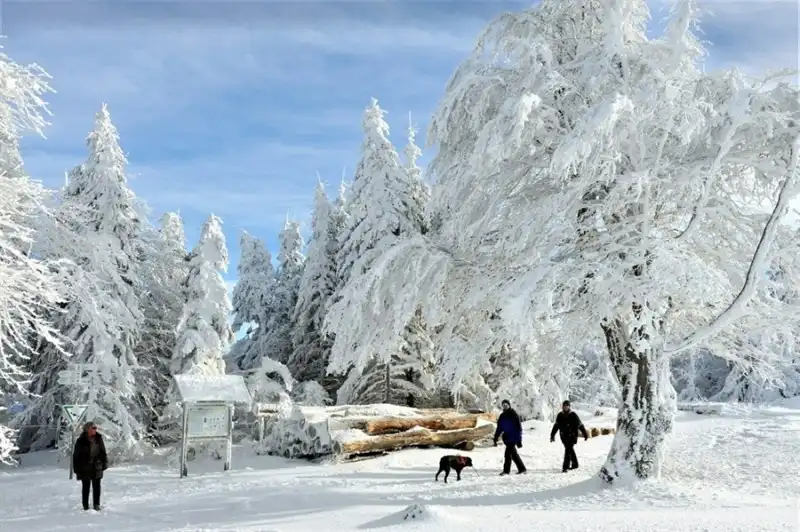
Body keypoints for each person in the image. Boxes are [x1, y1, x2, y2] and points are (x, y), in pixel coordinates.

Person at [72, 421, 108, 511]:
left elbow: (103, 452)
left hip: (97, 466)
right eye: (93, 428)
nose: (95, 430)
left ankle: (96, 504)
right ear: (87, 429)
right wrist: (76, 468)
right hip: (85, 467)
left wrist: (104, 463)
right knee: (86, 486)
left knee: (97, 486)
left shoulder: (98, 438)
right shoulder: (81, 440)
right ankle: (85, 506)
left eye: (95, 428)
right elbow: (76, 455)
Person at [550, 400, 589, 473]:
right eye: (564, 406)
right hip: (564, 437)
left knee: (568, 451)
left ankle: (565, 467)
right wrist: (552, 435)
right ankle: (575, 464)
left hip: (572, 436)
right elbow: (556, 426)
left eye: (566, 406)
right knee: (570, 450)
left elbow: (580, 425)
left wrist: (585, 434)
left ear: (569, 407)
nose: (565, 407)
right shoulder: (560, 415)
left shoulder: (573, 415)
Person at [493, 399, 527, 475]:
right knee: (514, 455)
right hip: (507, 438)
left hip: (513, 437)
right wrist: (496, 437)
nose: (505, 406)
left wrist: (519, 440)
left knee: (507, 454)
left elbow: (519, 428)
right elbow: (499, 428)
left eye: (506, 405)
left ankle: (506, 471)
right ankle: (522, 469)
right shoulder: (502, 416)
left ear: (509, 405)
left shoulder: (513, 414)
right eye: (503, 405)